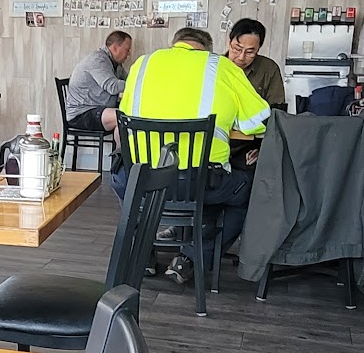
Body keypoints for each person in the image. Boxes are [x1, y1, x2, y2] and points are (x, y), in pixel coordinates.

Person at [112, 24, 270, 286]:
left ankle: (144, 252)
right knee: (249, 190)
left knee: (121, 181)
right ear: (206, 50)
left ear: (175, 45)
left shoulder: (142, 64)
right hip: (200, 183)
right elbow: (257, 122)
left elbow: (126, 115)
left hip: (142, 179)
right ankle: (192, 258)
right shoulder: (222, 66)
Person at [64, 29, 133, 134]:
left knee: (125, 120)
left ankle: (121, 146)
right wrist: (136, 85)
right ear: (115, 48)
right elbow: (113, 86)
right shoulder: (98, 60)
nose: (129, 54)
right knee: (123, 117)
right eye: (127, 50)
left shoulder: (115, 64)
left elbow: (128, 80)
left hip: (98, 109)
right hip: (81, 113)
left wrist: (136, 82)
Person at [226, 16, 286, 110]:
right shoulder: (214, 66)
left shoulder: (269, 69)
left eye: (249, 52)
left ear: (258, 50)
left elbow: (277, 110)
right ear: (229, 43)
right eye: (237, 49)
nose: (241, 57)